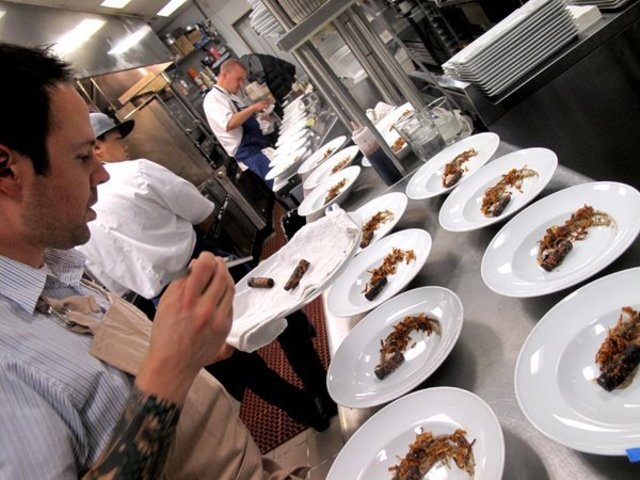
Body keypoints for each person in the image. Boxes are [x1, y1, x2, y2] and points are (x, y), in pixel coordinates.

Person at [0, 42, 308, 478]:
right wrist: (172, 368)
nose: (101, 173)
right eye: (82, 157)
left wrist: (190, 353)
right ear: (7, 168)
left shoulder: (58, 267)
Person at [77, 111, 335, 431]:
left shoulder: (77, 222)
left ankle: (306, 412)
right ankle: (321, 392)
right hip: (208, 267)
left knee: (239, 366)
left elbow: (114, 286)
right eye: (118, 139)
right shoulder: (136, 173)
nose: (125, 147)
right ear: (97, 148)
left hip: (168, 305)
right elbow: (202, 212)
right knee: (281, 314)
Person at [203, 58, 275, 186]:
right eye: (238, 79)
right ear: (224, 75)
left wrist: (260, 120)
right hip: (250, 153)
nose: (241, 84)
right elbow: (229, 123)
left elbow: (243, 121)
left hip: (258, 146)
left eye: (242, 80)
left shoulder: (230, 96)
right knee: (279, 182)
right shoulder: (212, 99)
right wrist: (253, 108)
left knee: (282, 178)